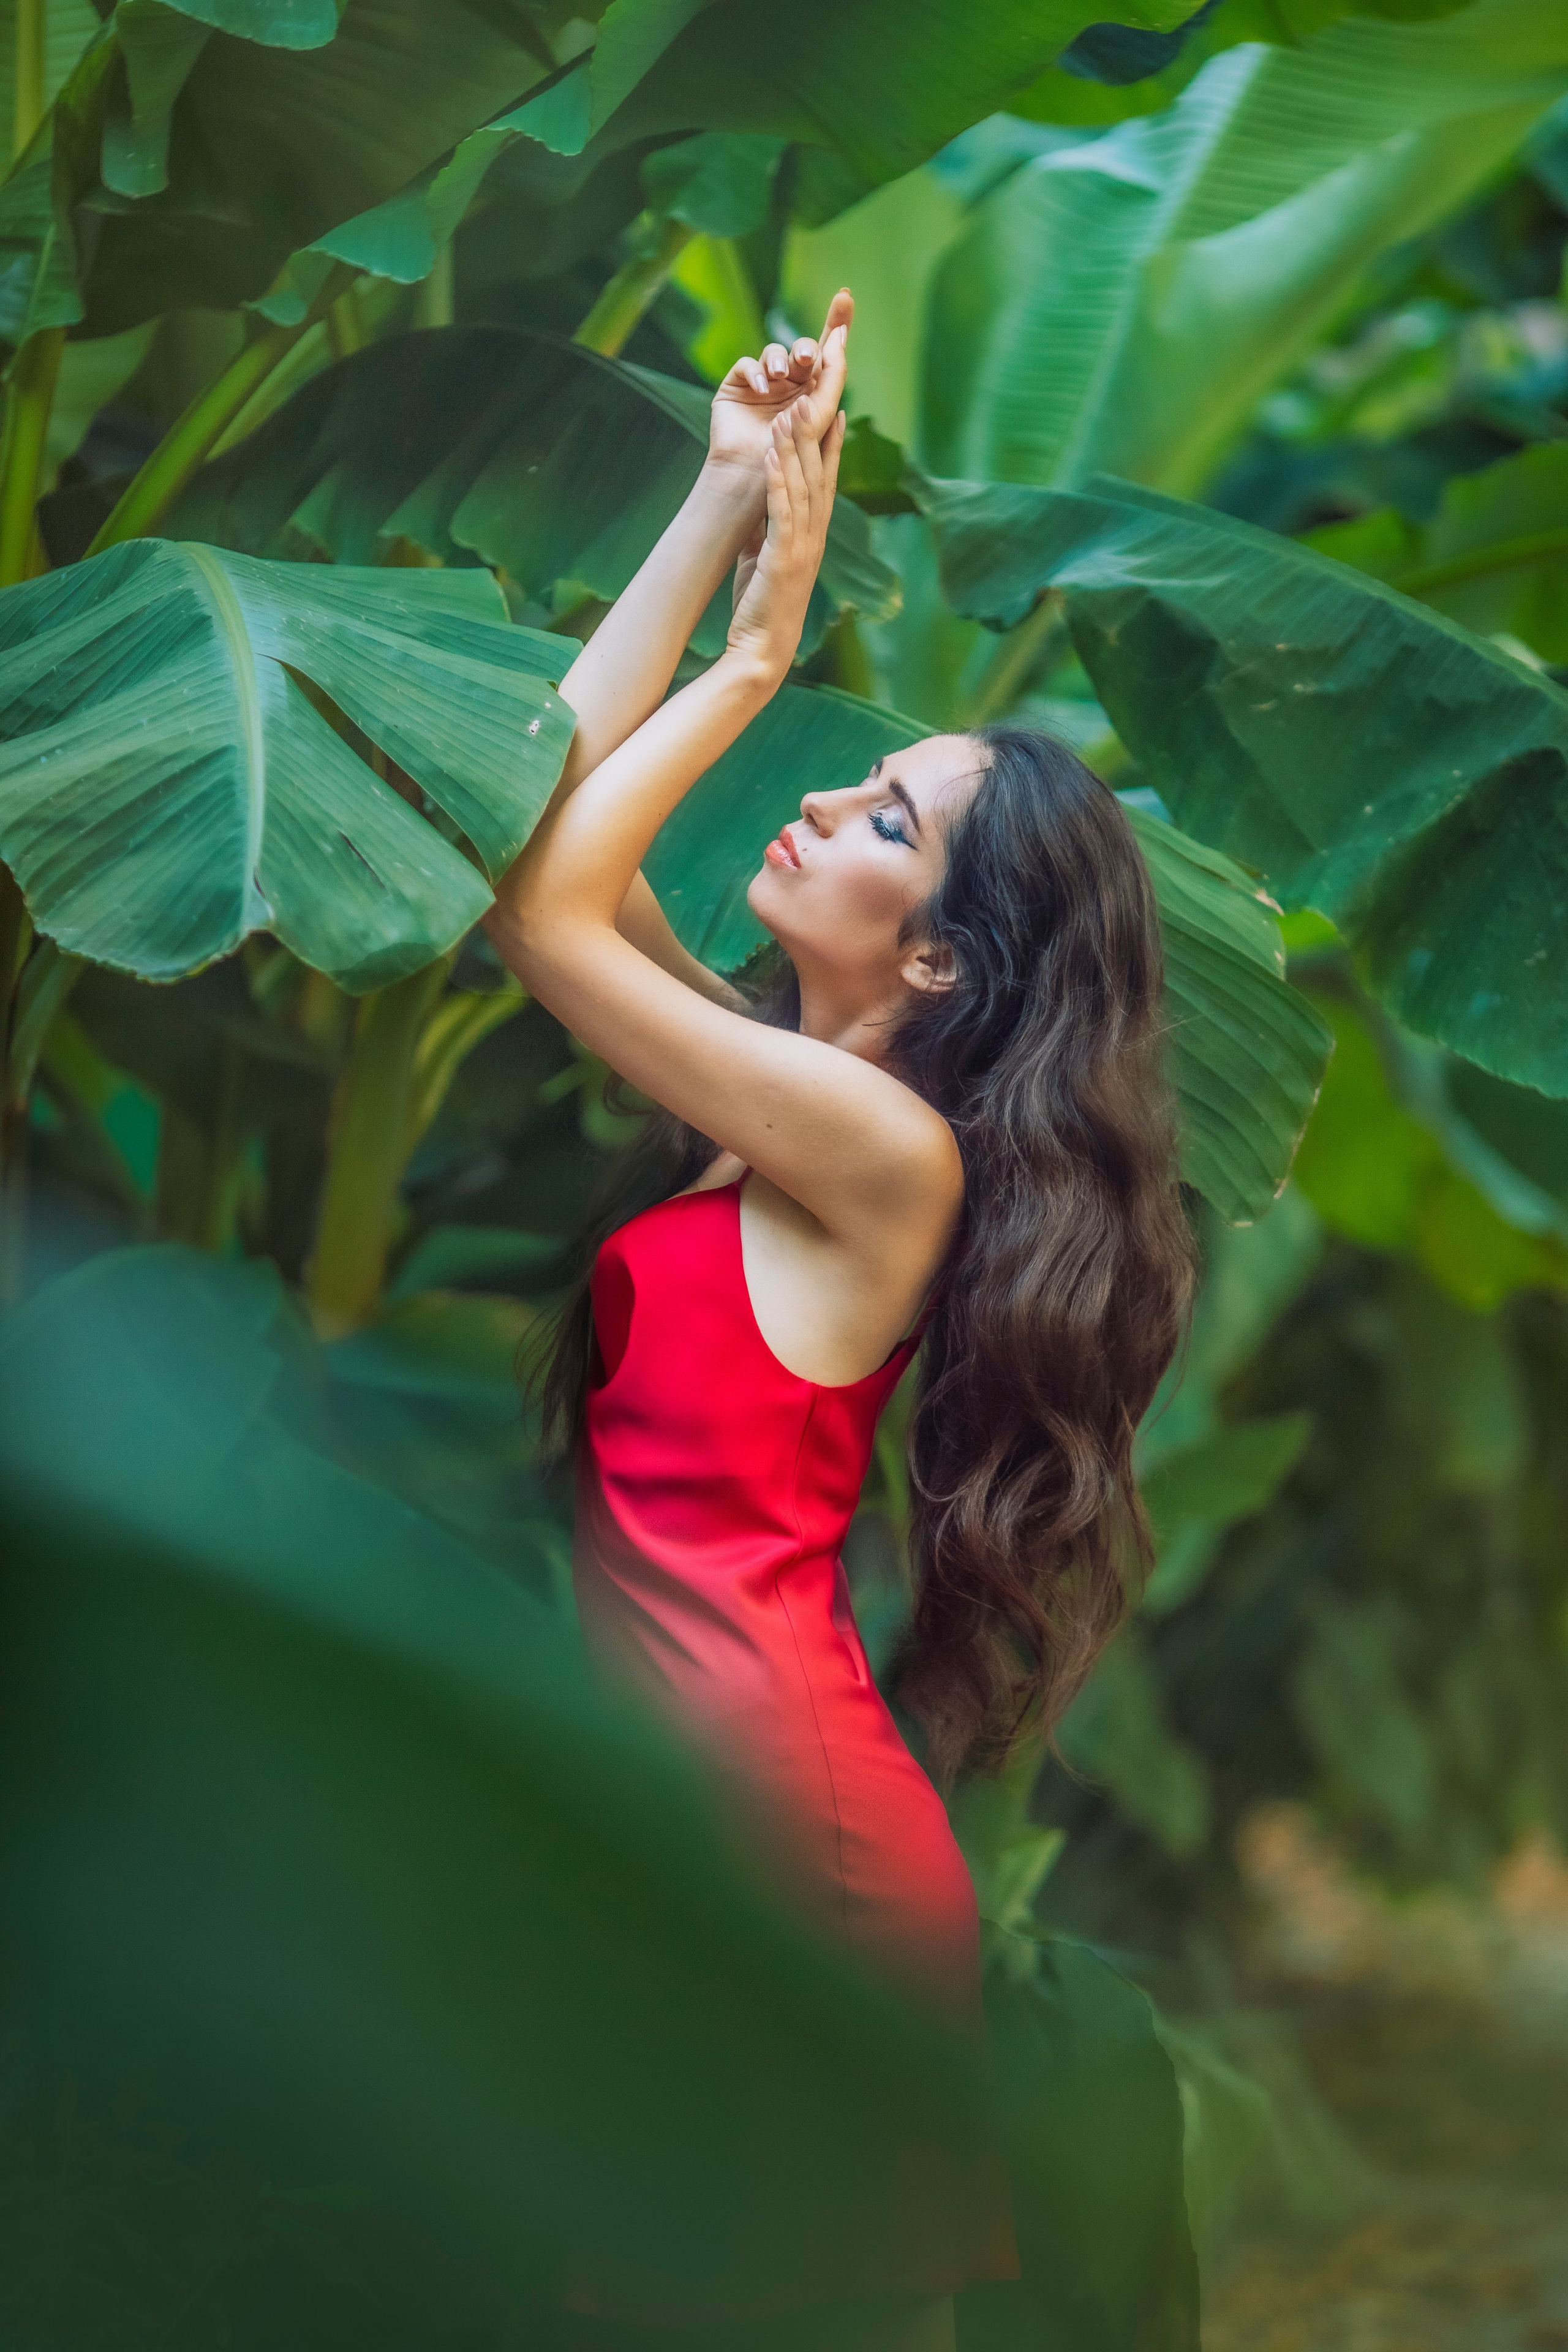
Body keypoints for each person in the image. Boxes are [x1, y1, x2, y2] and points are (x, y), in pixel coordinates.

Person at [485, 293, 1194, 2352]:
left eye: (887, 823)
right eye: (854, 779)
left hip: (776, 1851)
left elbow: (542, 913)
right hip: (680, 1829)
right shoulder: (764, 1111)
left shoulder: (892, 1163)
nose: (813, 804)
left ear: (952, 969)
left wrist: (765, 655)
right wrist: (721, 496)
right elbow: (528, 827)